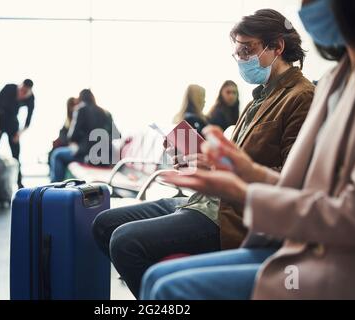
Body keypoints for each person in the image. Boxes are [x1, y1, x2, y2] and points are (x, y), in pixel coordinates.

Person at [143, 0, 355, 300]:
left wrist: (244, 189)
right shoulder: (333, 81)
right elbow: (305, 188)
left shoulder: (305, 94)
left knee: (165, 285)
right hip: (296, 237)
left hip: (337, 263)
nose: (307, 11)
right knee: (156, 277)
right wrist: (239, 169)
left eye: (247, 50)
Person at [92, 8, 314, 298]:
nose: (243, 59)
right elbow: (239, 159)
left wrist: (226, 172)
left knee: (125, 241)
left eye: (248, 49)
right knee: (104, 223)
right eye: (238, 53)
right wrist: (197, 161)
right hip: (204, 201)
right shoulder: (260, 97)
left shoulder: (301, 97)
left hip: (229, 214)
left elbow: (292, 180)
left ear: (277, 47)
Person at [50, 89, 120, 182]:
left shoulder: (80, 109)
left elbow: (71, 137)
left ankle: (56, 188)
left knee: (57, 155)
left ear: (80, 98)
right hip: (106, 159)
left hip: (87, 157)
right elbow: (118, 135)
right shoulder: (105, 113)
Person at [0, 79, 35, 189]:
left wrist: (19, 134)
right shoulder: (9, 88)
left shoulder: (31, 98)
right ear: (20, 86)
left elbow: (28, 121)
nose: (22, 94)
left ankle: (19, 183)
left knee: (16, 155)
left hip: (12, 122)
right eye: (21, 90)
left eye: (25, 92)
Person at [49, 97, 78, 182]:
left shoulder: (81, 116)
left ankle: (56, 185)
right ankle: (54, 181)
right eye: (72, 105)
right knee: (52, 153)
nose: (74, 108)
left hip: (80, 150)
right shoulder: (69, 120)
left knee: (57, 155)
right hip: (72, 147)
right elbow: (63, 134)